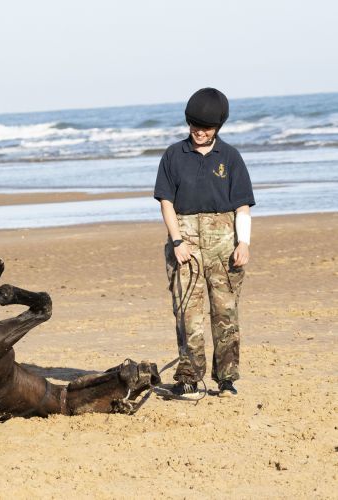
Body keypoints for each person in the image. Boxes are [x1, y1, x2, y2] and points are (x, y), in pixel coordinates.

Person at [153, 88, 255, 399]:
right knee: (188, 314)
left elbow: (242, 207)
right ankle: (189, 379)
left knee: (225, 314)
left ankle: (226, 379)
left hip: (224, 243)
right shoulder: (173, 155)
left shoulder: (231, 158)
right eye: (195, 127)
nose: (200, 133)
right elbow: (166, 203)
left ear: (218, 128)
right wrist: (178, 241)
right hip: (185, 243)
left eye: (206, 128)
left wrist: (244, 243)